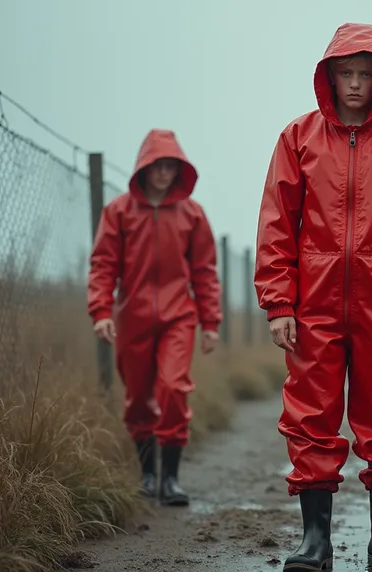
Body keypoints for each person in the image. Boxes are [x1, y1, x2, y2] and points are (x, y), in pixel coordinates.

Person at [254, 22, 372, 572]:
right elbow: (276, 223)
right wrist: (278, 303)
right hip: (311, 300)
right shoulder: (298, 138)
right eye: (347, 73)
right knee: (311, 414)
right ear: (329, 75)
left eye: (367, 73)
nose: (357, 84)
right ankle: (315, 544)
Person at [87, 129, 222, 507]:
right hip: (133, 317)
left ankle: (171, 480)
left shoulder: (193, 214)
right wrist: (101, 311)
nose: (163, 173)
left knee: (174, 386)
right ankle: (147, 474)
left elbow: (205, 272)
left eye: (170, 166)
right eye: (157, 165)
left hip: (179, 315)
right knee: (138, 397)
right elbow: (103, 265)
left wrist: (210, 323)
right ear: (143, 167)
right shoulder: (118, 212)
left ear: (180, 169)